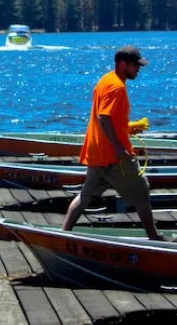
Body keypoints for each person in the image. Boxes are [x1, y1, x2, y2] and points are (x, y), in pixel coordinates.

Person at [62, 45, 163, 240]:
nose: (138, 69)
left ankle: (64, 235)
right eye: (135, 65)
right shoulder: (116, 86)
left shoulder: (105, 80)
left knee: (86, 195)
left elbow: (110, 119)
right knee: (142, 192)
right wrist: (118, 146)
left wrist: (130, 127)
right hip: (115, 156)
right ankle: (155, 239)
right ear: (122, 64)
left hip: (97, 152)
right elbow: (103, 117)